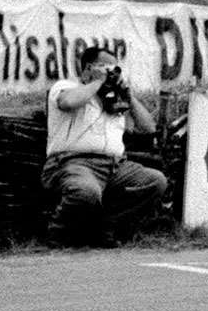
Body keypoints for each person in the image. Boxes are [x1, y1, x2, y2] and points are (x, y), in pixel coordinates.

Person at [42, 41, 167, 246]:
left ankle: (107, 227)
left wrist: (129, 97)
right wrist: (96, 83)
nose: (112, 73)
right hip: (73, 163)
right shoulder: (66, 87)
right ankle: (58, 234)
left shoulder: (114, 99)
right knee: (86, 192)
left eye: (115, 68)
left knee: (156, 181)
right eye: (106, 67)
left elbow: (148, 128)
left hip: (116, 166)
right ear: (89, 68)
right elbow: (68, 103)